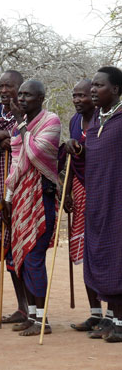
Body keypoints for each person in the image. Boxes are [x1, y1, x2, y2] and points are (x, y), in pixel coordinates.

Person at [3, 80, 61, 337]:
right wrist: (7, 196)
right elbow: (16, 164)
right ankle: (33, 316)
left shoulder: (51, 121)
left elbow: (36, 154)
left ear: (41, 98)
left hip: (41, 199)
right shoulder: (19, 126)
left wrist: (23, 125)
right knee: (22, 259)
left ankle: (43, 321)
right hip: (20, 199)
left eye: (28, 95)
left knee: (35, 258)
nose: (22, 98)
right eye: (21, 93)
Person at [71, 67, 122, 342]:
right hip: (97, 203)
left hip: (118, 201)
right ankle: (112, 319)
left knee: (119, 260)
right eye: (93, 86)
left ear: (115, 90)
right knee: (103, 257)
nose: (93, 90)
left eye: (99, 86)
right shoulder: (97, 122)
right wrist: (78, 152)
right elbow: (88, 166)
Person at [62, 79, 112, 335]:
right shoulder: (73, 121)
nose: (79, 99)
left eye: (83, 95)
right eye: (75, 95)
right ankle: (94, 313)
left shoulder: (105, 121)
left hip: (104, 190)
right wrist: (67, 190)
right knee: (85, 251)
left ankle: (111, 315)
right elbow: (72, 157)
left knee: (106, 250)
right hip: (81, 189)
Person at [0, 70, 30, 325]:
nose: (4, 91)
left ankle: (31, 307)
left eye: (10, 87)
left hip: (23, 188)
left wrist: (8, 136)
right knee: (7, 248)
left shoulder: (29, 112)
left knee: (23, 247)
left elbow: (34, 141)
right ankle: (21, 305)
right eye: (1, 86)